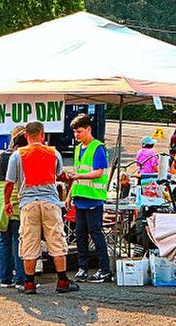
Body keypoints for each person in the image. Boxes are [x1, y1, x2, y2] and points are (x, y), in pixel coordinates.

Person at [5, 121, 79, 294]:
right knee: (57, 241)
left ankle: (29, 284)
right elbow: (60, 175)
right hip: (50, 203)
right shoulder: (54, 153)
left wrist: (7, 202)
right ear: (42, 135)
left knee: (29, 242)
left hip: (28, 204)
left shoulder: (17, 155)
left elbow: (9, 183)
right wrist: (68, 178)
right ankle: (62, 281)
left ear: (25, 136)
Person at [65, 113, 112, 283]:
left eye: (79, 132)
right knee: (80, 234)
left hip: (93, 199)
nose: (76, 135)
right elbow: (78, 173)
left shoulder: (97, 147)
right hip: (80, 198)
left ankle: (104, 269)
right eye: (75, 133)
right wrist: (70, 195)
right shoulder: (78, 149)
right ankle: (82, 267)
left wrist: (78, 178)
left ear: (88, 129)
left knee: (96, 234)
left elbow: (98, 172)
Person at [0, 126, 27, 290]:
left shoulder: (1, 155)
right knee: (18, 241)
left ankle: (5, 278)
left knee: (4, 241)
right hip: (14, 202)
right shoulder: (21, 157)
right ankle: (21, 279)